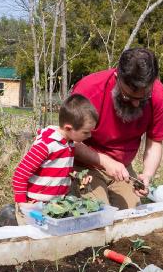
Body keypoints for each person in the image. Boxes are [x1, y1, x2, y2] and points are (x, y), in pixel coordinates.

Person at [70, 48, 163, 209]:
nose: (136, 103)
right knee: (97, 211)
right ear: (117, 77)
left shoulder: (158, 95)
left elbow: (155, 141)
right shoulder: (89, 90)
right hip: (84, 165)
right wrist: (104, 161)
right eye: (128, 97)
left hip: (122, 170)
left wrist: (147, 174)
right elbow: (68, 141)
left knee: (132, 215)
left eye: (143, 97)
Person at [8, 94, 97, 225]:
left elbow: (62, 171)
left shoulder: (68, 143)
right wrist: (22, 203)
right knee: (33, 240)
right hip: (33, 206)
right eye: (85, 132)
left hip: (53, 205)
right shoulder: (46, 145)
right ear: (68, 128)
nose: (89, 136)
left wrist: (79, 176)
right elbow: (20, 174)